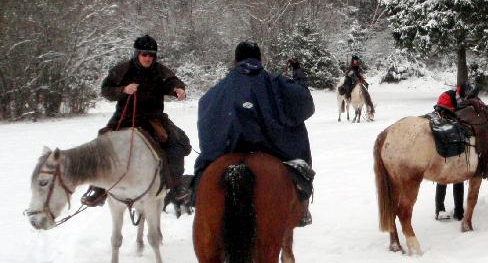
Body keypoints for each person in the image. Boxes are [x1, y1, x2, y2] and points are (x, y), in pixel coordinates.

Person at [193, 41, 315, 225]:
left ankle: (194, 195)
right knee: (300, 160)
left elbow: (206, 116)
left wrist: (214, 148)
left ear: (235, 60)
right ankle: (302, 202)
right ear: (259, 59)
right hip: (270, 148)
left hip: (229, 148)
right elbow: (305, 103)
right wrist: (298, 76)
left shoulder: (218, 90)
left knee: (203, 171)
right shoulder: (274, 81)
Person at [81, 35, 191, 207]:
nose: (148, 58)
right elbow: (105, 90)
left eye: (151, 55)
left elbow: (172, 81)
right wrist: (123, 89)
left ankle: (176, 186)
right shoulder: (123, 70)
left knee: (176, 143)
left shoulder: (160, 70)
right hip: (125, 119)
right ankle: (99, 188)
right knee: (104, 144)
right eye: (145, 54)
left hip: (154, 119)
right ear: (137, 53)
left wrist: (178, 89)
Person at [432, 78, 481, 221]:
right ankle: (439, 209)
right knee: (443, 176)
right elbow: (441, 113)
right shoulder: (447, 95)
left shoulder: (471, 99)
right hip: (446, 141)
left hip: (461, 143)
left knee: (459, 176)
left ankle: (459, 210)